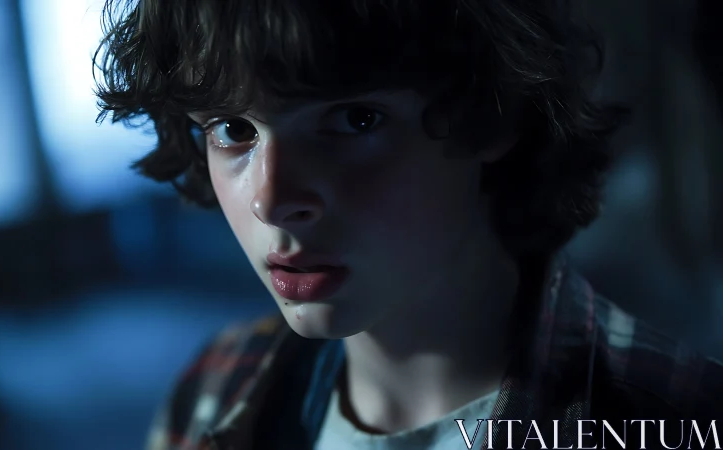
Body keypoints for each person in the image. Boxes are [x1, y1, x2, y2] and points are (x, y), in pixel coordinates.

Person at [93, 0, 722, 448]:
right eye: (233, 130)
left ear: (491, 113)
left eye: (355, 121)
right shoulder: (212, 391)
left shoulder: (672, 416)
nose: (272, 199)